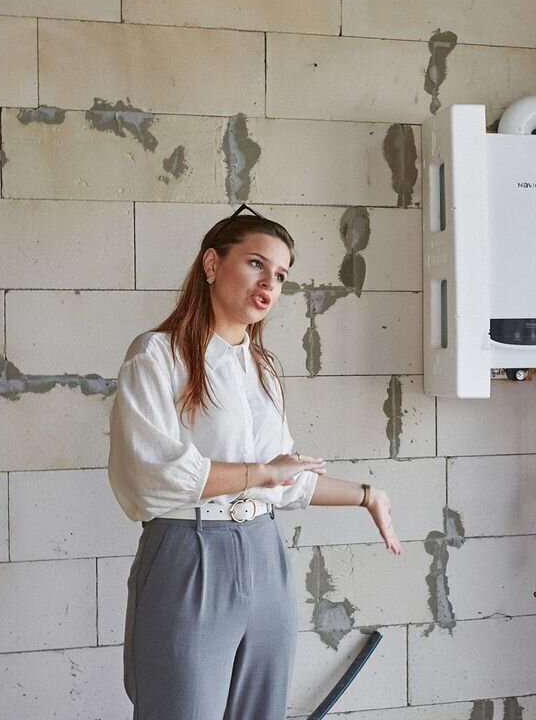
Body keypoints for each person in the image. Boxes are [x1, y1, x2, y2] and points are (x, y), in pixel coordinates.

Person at [108, 204, 404, 720]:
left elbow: (285, 484)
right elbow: (153, 475)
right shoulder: (156, 356)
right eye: (256, 264)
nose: (270, 282)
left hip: (265, 555)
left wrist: (365, 495)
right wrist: (262, 473)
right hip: (189, 552)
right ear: (211, 264)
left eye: (282, 274)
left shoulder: (264, 370)